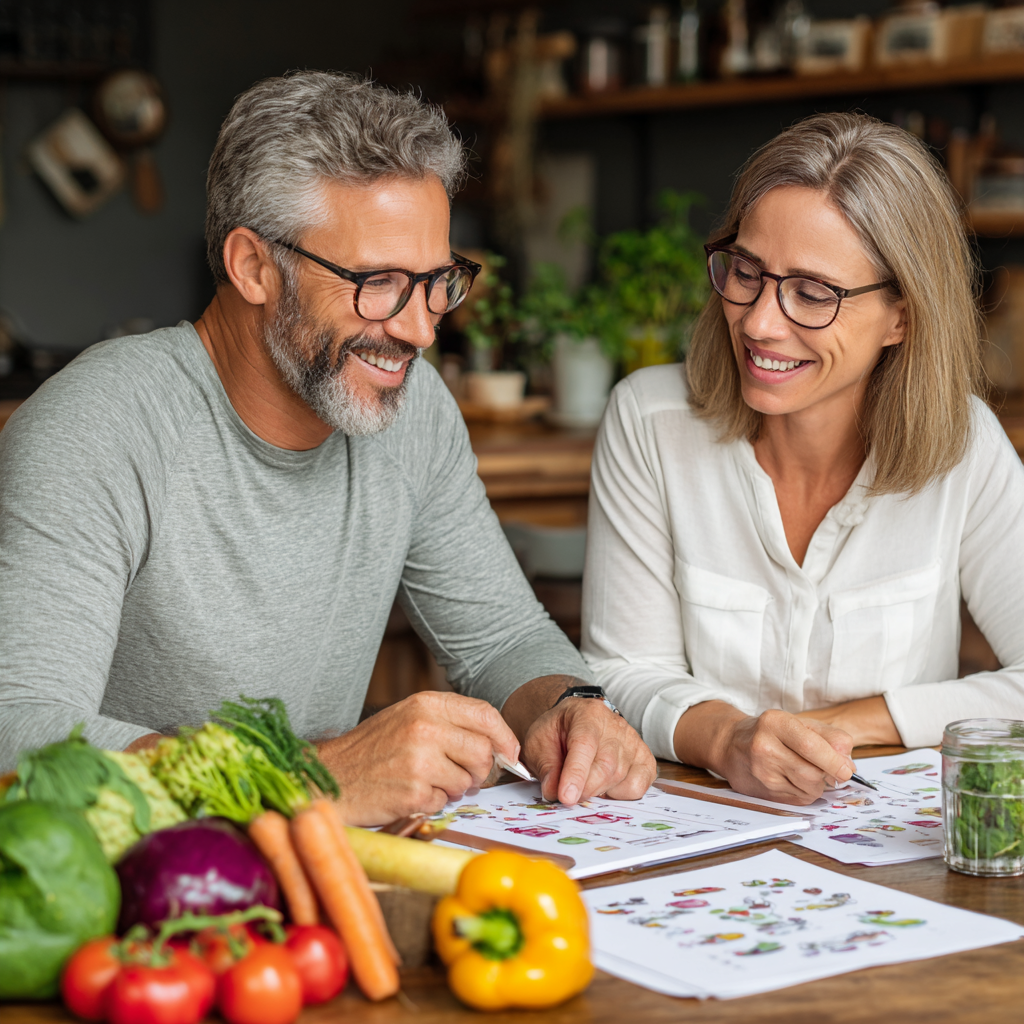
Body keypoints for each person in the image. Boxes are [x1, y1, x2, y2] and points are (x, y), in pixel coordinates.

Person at [0, 72, 655, 823]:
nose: (421, 329)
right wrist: (309, 779)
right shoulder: (96, 425)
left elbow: (502, 636)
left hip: (314, 877)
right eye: (379, 283)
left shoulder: (414, 410)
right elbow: (21, 730)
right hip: (128, 895)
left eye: (438, 280)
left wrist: (568, 705)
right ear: (254, 267)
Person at [581, 112, 1024, 805]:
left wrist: (841, 727)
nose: (759, 321)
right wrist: (730, 740)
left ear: (902, 315)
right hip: (696, 826)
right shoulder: (650, 420)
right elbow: (623, 671)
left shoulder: (963, 443)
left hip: (892, 849)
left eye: (813, 294)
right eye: (748, 272)